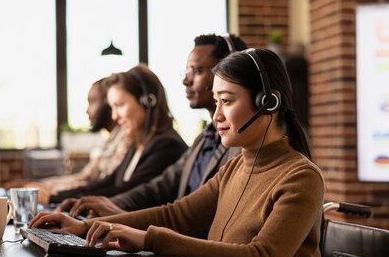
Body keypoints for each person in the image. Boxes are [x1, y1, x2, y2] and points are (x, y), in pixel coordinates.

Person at [30, 48, 328, 257]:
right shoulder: (235, 167)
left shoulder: (301, 177)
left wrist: (151, 239)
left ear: (268, 102)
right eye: (215, 102)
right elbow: (174, 214)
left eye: (227, 101)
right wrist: (88, 226)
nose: (217, 116)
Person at [57, 34, 247, 219]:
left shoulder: (239, 146)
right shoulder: (204, 138)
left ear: (229, 72)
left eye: (196, 71)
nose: (185, 80)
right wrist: (107, 208)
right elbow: (159, 187)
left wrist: (125, 221)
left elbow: (194, 218)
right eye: (186, 72)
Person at [44, 64, 188, 206]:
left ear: (147, 101)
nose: (114, 116)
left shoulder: (167, 145)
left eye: (119, 105)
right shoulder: (136, 145)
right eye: (112, 108)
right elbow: (107, 182)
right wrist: (56, 196)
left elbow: (127, 191)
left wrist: (54, 199)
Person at [3, 78, 127, 196]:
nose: (87, 110)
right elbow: (83, 177)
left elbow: (98, 185)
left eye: (92, 101)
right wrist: (37, 185)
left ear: (108, 105)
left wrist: (40, 190)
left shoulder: (125, 138)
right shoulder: (110, 140)